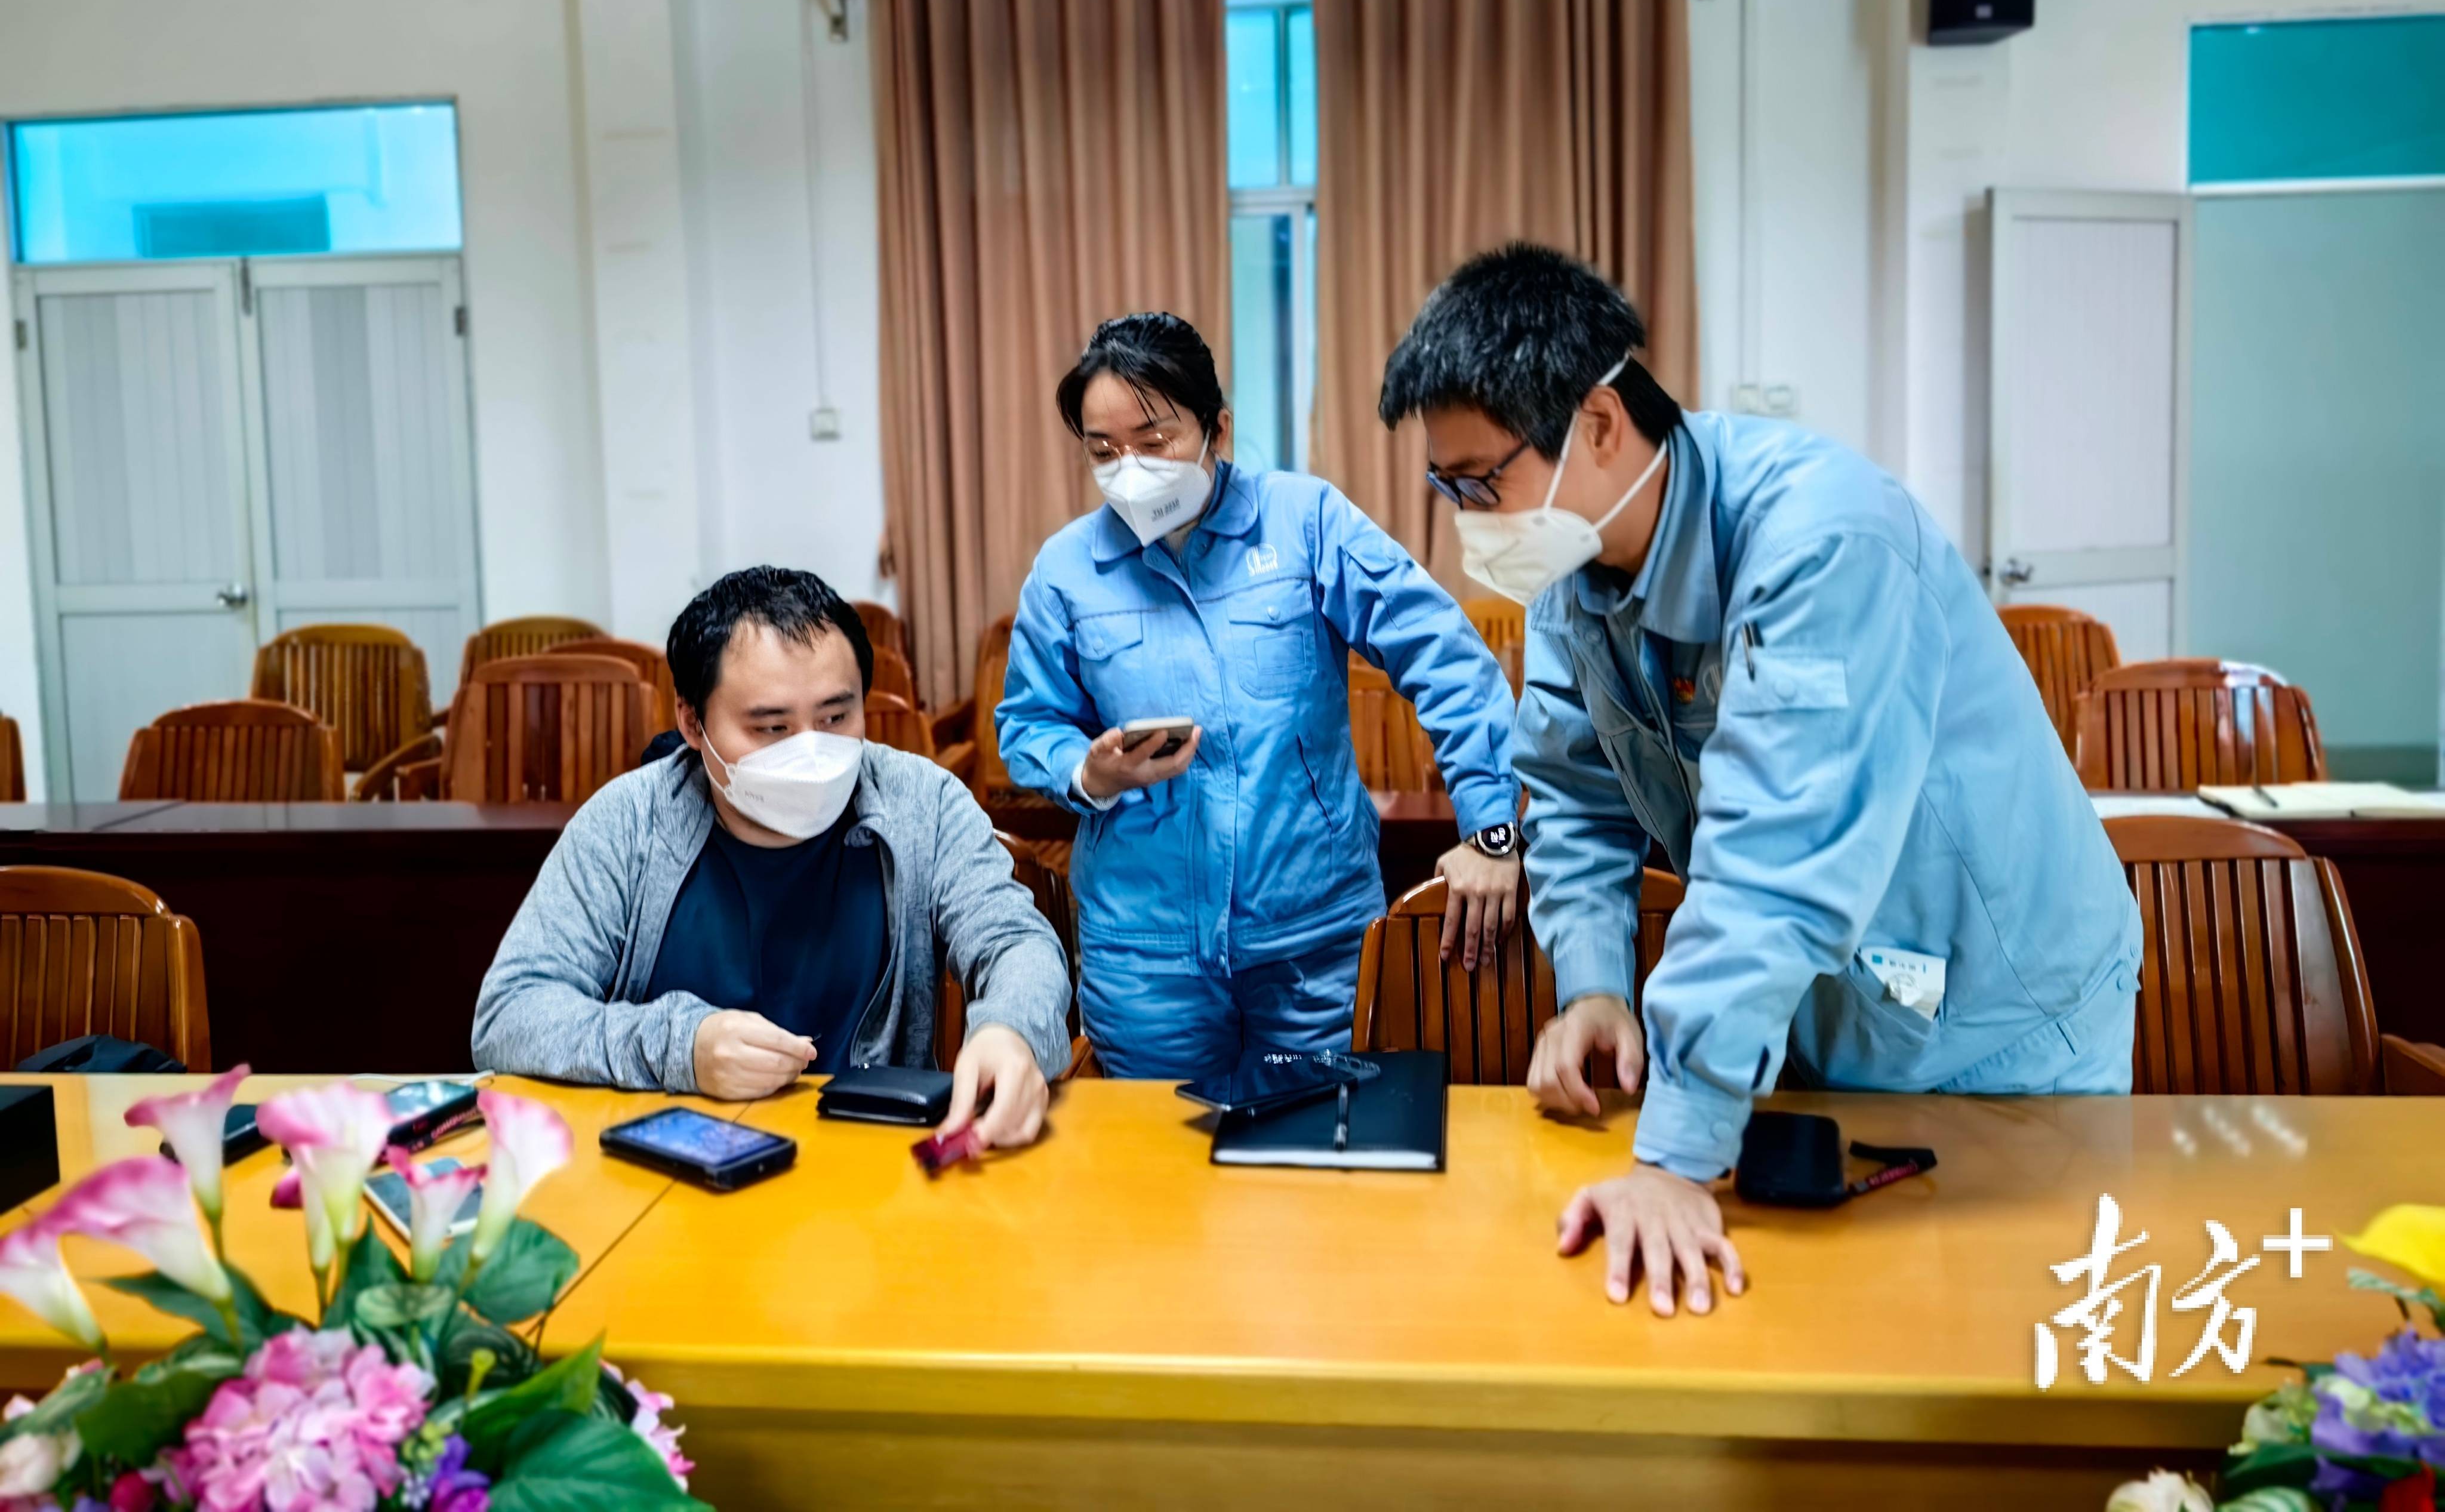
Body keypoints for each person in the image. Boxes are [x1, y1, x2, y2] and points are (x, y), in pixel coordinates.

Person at [1378, 243, 2141, 1316]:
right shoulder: (1577, 570)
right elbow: (1574, 797)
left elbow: (1774, 860)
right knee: (1820, 1329)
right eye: (1445, 486)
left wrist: (1675, 1159)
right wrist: (1594, 983)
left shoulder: (1824, 542)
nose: (1468, 519)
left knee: (1999, 1338)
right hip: (1823, 1002)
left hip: (1995, 1013)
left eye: (1482, 481)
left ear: (1596, 424)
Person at [996, 312, 1521, 1079]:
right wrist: (1088, 772)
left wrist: (1493, 831)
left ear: (1219, 429)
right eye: (1103, 452)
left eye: (1154, 441)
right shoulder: (1067, 568)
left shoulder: (1305, 521)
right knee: (1153, 1175)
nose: (1130, 470)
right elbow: (1029, 721)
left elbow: (1445, 657)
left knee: (1312, 1172)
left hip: (1313, 943)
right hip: (1146, 953)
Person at [473, 566, 1071, 1151]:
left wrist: (1010, 1031)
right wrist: (684, 1047)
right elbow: (511, 1013)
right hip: (671, 1174)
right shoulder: (628, 822)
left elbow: (1017, 942)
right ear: (691, 721)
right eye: (770, 728)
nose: (810, 751)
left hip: (872, 1175)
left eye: (836, 718)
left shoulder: (923, 803)